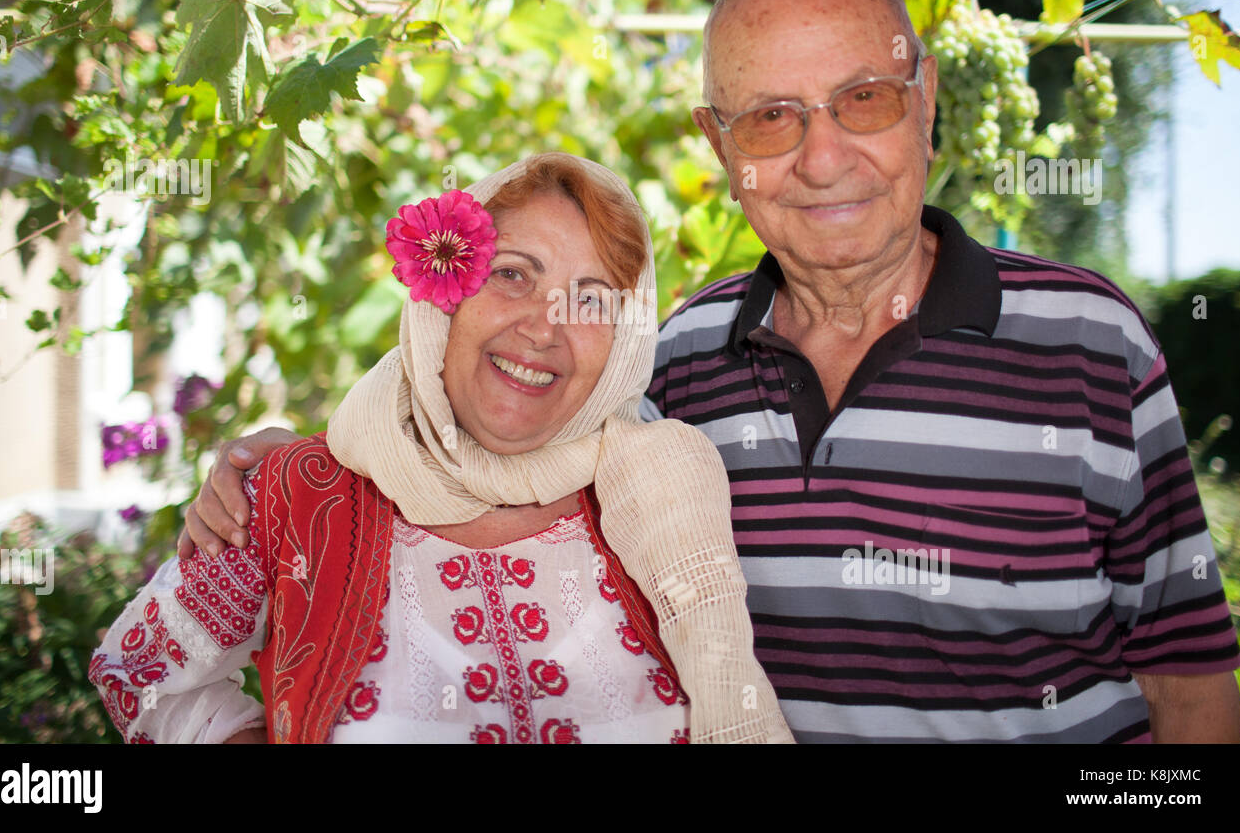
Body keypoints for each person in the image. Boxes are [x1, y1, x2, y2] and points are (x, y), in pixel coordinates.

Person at [183, 0, 1240, 743]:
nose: (823, 156)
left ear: (924, 106)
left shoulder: (1091, 341)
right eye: (770, 118)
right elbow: (479, 469)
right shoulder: (664, 371)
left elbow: (1186, 679)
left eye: (862, 100)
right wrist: (283, 463)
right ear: (719, 145)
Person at [91, 152, 793, 744]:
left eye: (590, 301)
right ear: (444, 293)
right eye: (513, 274)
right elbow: (142, 674)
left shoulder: (658, 497)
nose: (544, 330)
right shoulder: (295, 494)